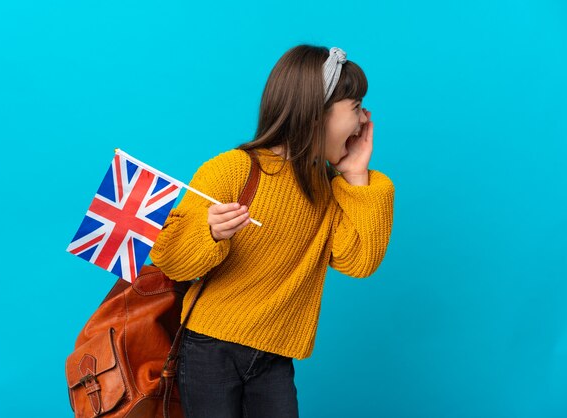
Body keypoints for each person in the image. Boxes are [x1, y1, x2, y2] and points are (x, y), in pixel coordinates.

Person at [150, 44, 395, 418]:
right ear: (317, 114)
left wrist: (358, 176)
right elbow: (170, 259)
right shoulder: (232, 169)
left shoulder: (326, 188)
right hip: (211, 349)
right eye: (355, 108)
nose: (364, 121)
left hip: (275, 356)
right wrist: (208, 232)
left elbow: (359, 260)